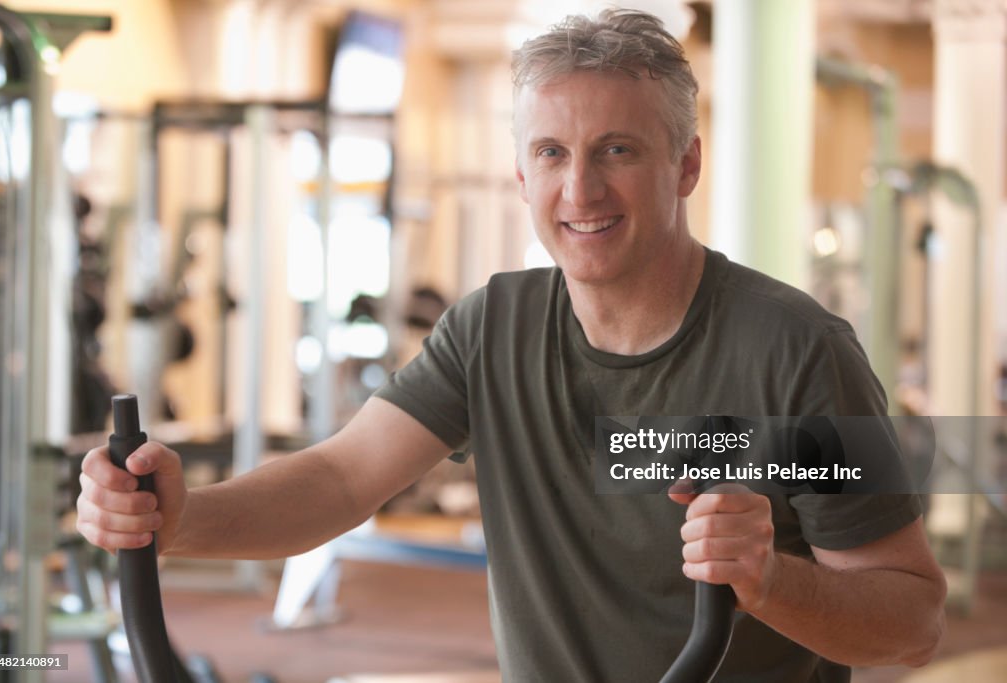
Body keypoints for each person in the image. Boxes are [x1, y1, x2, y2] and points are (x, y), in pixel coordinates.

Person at [77, 9, 946, 682]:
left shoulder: (798, 351)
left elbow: (912, 620)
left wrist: (770, 581)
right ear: (521, 173)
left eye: (617, 150)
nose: (581, 187)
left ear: (685, 165)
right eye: (552, 152)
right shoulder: (491, 326)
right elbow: (342, 478)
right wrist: (177, 520)